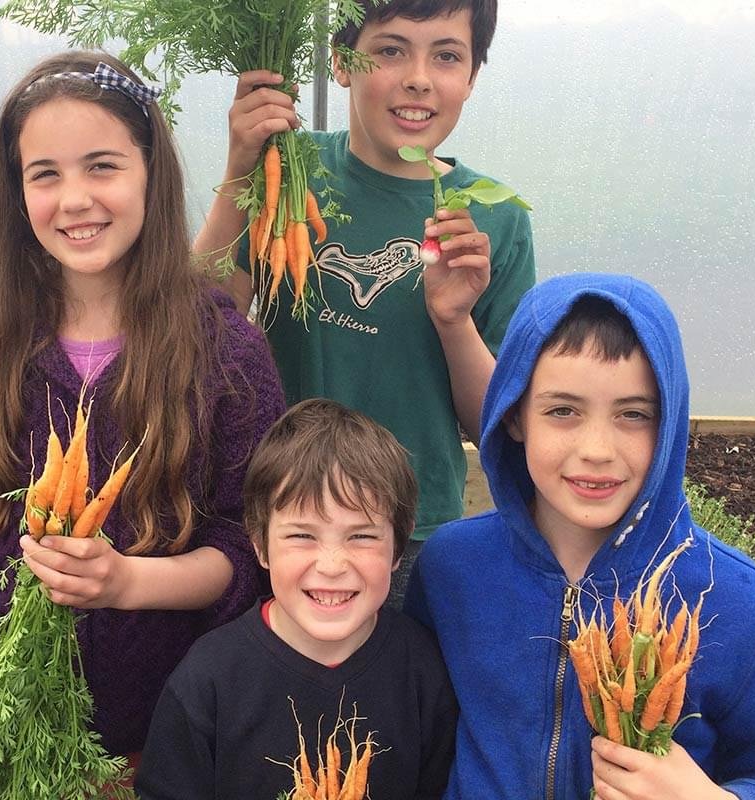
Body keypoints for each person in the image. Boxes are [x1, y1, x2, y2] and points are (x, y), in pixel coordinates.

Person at [0, 51, 285, 763]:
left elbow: (249, 546)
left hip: (178, 735)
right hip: (11, 737)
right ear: (17, 194)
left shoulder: (227, 351)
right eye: (45, 174)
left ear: (150, 174)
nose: (74, 199)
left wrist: (129, 582)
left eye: (102, 165)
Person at [404, 273, 755, 799]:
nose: (597, 449)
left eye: (633, 414)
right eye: (563, 411)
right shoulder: (452, 568)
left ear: (669, 423)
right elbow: (420, 730)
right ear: (514, 417)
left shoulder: (739, 602)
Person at [195, 0, 536, 604]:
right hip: (279, 514)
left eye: (447, 55)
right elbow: (196, 326)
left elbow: (495, 422)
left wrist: (454, 321)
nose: (419, 78)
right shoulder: (290, 169)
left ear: (473, 76)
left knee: (398, 692)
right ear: (341, 62)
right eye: (391, 49)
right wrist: (240, 169)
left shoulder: (494, 219)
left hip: (413, 531)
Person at [135, 398, 458, 799]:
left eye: (361, 536)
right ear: (260, 545)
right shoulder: (208, 680)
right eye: (302, 536)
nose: (333, 564)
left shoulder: (424, 671)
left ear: (397, 547)